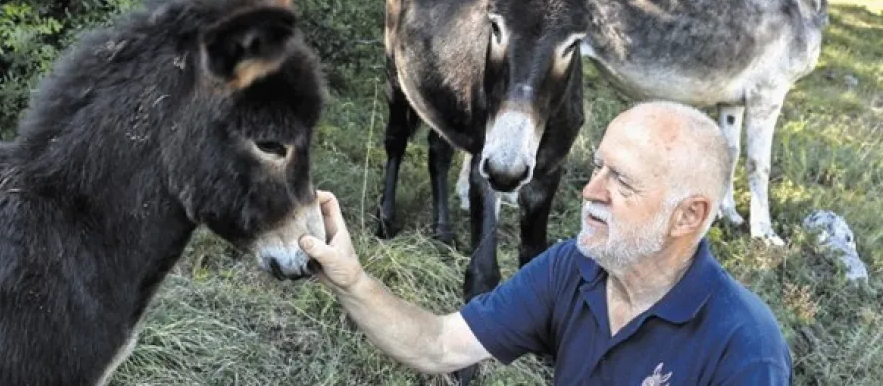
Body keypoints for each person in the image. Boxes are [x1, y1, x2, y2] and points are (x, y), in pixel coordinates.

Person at [299, 100, 793, 384]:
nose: (590, 192)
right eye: (598, 167)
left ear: (688, 216)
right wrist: (352, 281)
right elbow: (441, 345)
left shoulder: (744, 346)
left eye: (622, 181)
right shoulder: (573, 269)